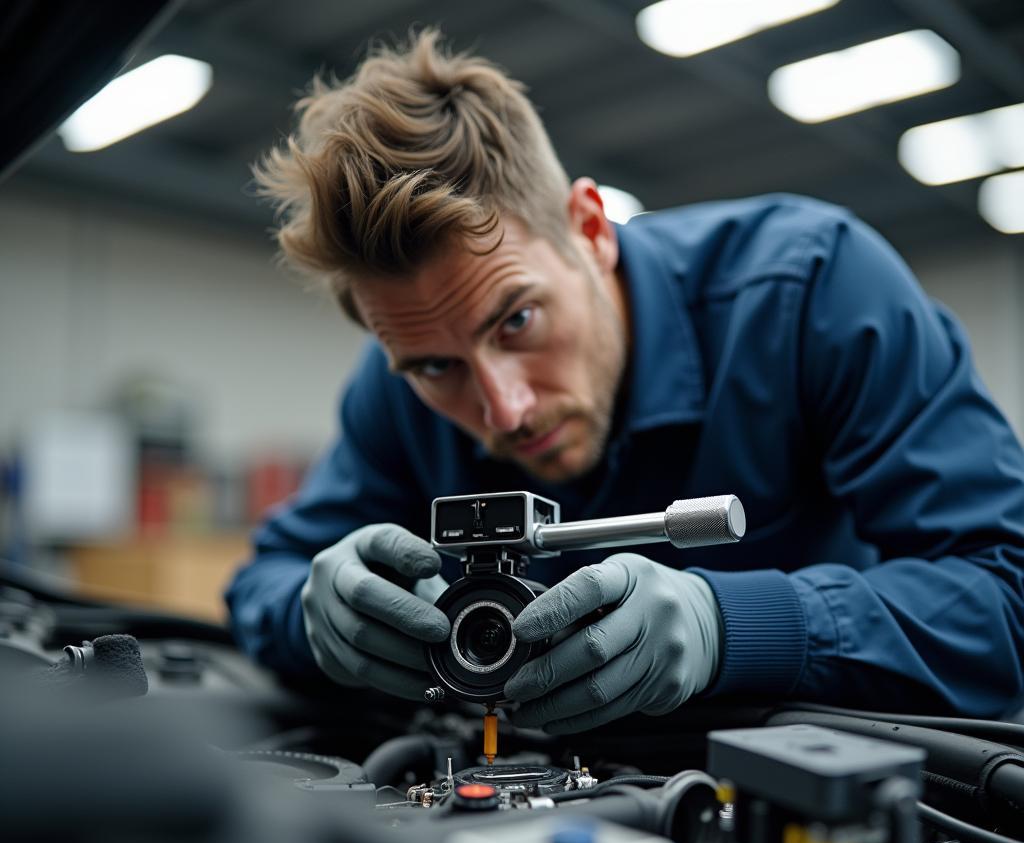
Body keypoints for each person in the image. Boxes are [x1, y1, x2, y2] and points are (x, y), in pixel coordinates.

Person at [226, 29, 1024, 732]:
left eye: (516, 321)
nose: (504, 409)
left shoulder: (812, 289)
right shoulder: (395, 382)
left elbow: (1004, 594)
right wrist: (312, 615)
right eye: (437, 367)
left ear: (590, 229)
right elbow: (265, 579)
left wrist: (737, 625)